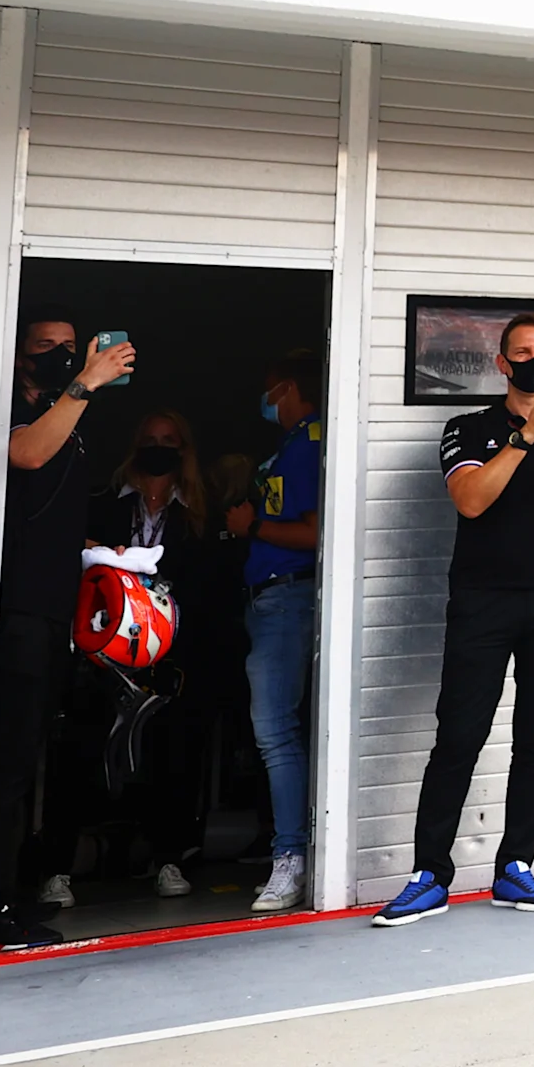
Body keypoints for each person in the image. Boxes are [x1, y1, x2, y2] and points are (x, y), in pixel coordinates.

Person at [376, 314, 534, 924]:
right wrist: (522, 436)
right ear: (502, 365)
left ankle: (515, 866)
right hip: (484, 603)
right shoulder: (468, 427)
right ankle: (429, 873)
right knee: (459, 736)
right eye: (523, 353)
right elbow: (471, 499)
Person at [0, 318, 137, 951]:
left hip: (52, 611)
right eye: (46, 347)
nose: (63, 356)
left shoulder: (63, 414)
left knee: (27, 763)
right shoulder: (11, 405)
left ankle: (4, 899)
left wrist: (96, 550)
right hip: (14, 610)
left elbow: (45, 508)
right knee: (7, 768)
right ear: (18, 358)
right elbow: (26, 454)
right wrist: (86, 382)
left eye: (71, 347)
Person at [40, 414, 215, 908]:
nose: (159, 448)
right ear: (133, 446)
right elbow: (64, 557)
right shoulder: (99, 502)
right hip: (99, 650)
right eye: (150, 440)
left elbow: (211, 586)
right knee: (79, 752)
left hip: (169, 654)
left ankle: (169, 860)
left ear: (184, 449)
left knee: (172, 755)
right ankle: (56, 869)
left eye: (169, 441)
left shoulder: (201, 513)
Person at [236, 358, 326, 913]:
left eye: (268, 387)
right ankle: (290, 850)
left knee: (275, 730)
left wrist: (252, 527)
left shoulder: (307, 443)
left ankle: (290, 858)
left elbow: (316, 530)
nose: (264, 397)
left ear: (287, 387)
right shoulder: (292, 439)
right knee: (276, 730)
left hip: (288, 595)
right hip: (268, 599)